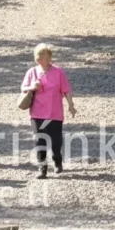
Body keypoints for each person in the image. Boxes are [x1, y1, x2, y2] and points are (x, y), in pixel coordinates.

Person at [20, 43, 76, 179]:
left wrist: (71, 105)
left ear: (49, 57)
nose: (39, 59)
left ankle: (57, 160)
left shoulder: (58, 72)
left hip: (55, 113)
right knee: (39, 141)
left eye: (42, 56)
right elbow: (23, 88)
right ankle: (42, 168)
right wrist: (32, 87)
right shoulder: (32, 72)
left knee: (56, 142)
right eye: (37, 56)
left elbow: (66, 90)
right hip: (37, 113)